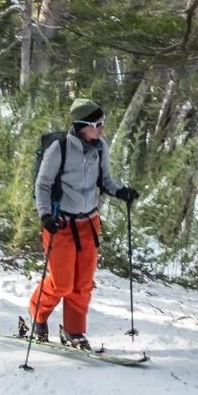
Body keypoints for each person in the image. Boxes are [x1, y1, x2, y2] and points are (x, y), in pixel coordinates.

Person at [24, 99, 139, 349]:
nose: (102, 129)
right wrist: (45, 216)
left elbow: (105, 180)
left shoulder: (100, 148)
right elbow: (42, 185)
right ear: (81, 126)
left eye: (103, 123)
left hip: (89, 222)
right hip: (60, 222)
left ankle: (74, 331)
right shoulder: (60, 148)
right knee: (61, 282)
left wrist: (120, 192)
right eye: (97, 124)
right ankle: (37, 313)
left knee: (83, 283)